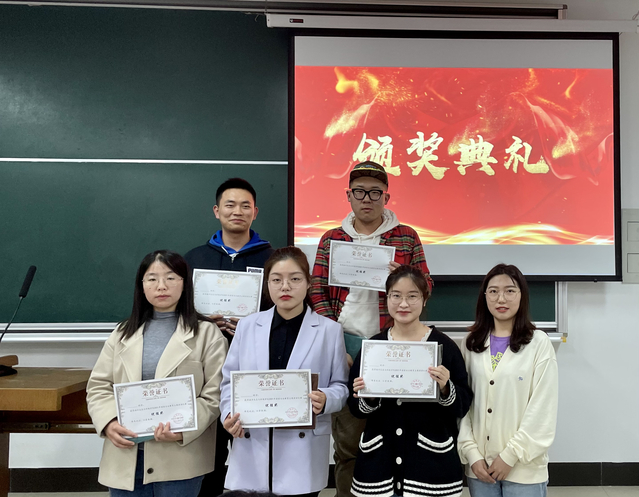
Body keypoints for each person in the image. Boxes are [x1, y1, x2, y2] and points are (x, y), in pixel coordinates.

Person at [310, 160, 433, 497]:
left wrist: (404, 276)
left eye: (375, 192)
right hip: (346, 345)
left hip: (393, 343)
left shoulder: (406, 237)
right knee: (349, 442)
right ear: (348, 195)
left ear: (386, 197)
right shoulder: (332, 239)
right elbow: (317, 292)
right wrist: (336, 345)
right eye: (360, 192)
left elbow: (426, 287)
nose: (367, 198)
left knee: (396, 435)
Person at [86, 250, 228, 496]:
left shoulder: (207, 333)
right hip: (126, 454)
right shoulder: (122, 333)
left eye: (171, 278)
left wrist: (183, 428)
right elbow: (99, 386)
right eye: (152, 279)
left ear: (184, 283)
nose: (161, 286)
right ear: (142, 286)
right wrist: (108, 422)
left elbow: (215, 394)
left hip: (180, 457)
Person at [220, 246, 349, 497]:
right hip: (251, 441)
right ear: (267, 284)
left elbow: (341, 386)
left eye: (295, 279)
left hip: (302, 451)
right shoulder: (248, 326)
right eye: (277, 280)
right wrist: (228, 414)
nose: (285, 287)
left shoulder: (329, 330)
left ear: (308, 283)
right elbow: (229, 382)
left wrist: (326, 399)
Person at [348, 265, 472, 497]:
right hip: (379, 469)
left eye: (412, 296)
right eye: (396, 296)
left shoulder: (444, 347)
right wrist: (368, 396)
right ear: (387, 298)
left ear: (424, 300)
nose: (403, 304)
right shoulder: (373, 348)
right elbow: (355, 408)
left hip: (431, 470)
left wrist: (446, 388)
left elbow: (463, 405)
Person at [185, 177, 274, 496]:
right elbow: (179, 311)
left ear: (255, 212)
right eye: (230, 205)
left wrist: (255, 324)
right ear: (216, 210)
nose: (238, 211)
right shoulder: (193, 259)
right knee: (207, 452)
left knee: (252, 451)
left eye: (245, 206)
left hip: (255, 368)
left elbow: (286, 310)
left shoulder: (273, 259)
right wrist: (201, 321)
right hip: (205, 370)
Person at [458, 263, 558, 497]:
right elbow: (464, 405)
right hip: (480, 469)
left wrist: (510, 456)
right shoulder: (470, 344)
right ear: (484, 297)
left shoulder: (538, 343)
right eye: (493, 291)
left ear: (522, 295)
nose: (501, 298)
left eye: (510, 291)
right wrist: (472, 454)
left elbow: (542, 409)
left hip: (524, 469)